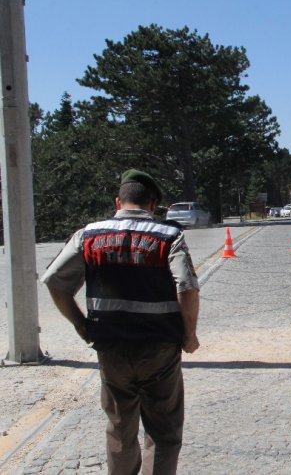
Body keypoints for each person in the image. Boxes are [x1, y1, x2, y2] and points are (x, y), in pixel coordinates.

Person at [42, 169, 201, 474]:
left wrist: (81, 325)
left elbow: (54, 282)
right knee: (164, 432)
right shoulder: (169, 235)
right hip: (159, 349)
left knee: (119, 429)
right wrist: (189, 335)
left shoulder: (88, 235)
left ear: (118, 200)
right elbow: (188, 288)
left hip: (111, 347)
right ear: (153, 205)